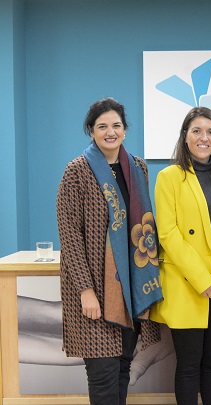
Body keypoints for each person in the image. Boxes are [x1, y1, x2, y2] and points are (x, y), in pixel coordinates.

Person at [56, 97, 162, 405]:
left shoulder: (138, 168)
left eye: (116, 125)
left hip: (130, 288)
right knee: (103, 375)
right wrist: (85, 291)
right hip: (95, 291)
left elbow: (144, 224)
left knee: (122, 369)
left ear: (125, 130)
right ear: (91, 131)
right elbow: (69, 236)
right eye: (102, 126)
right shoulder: (76, 171)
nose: (110, 132)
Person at [150, 107, 211, 405]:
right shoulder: (169, 177)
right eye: (197, 131)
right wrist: (202, 280)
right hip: (188, 287)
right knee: (189, 366)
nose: (204, 138)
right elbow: (168, 234)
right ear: (185, 136)